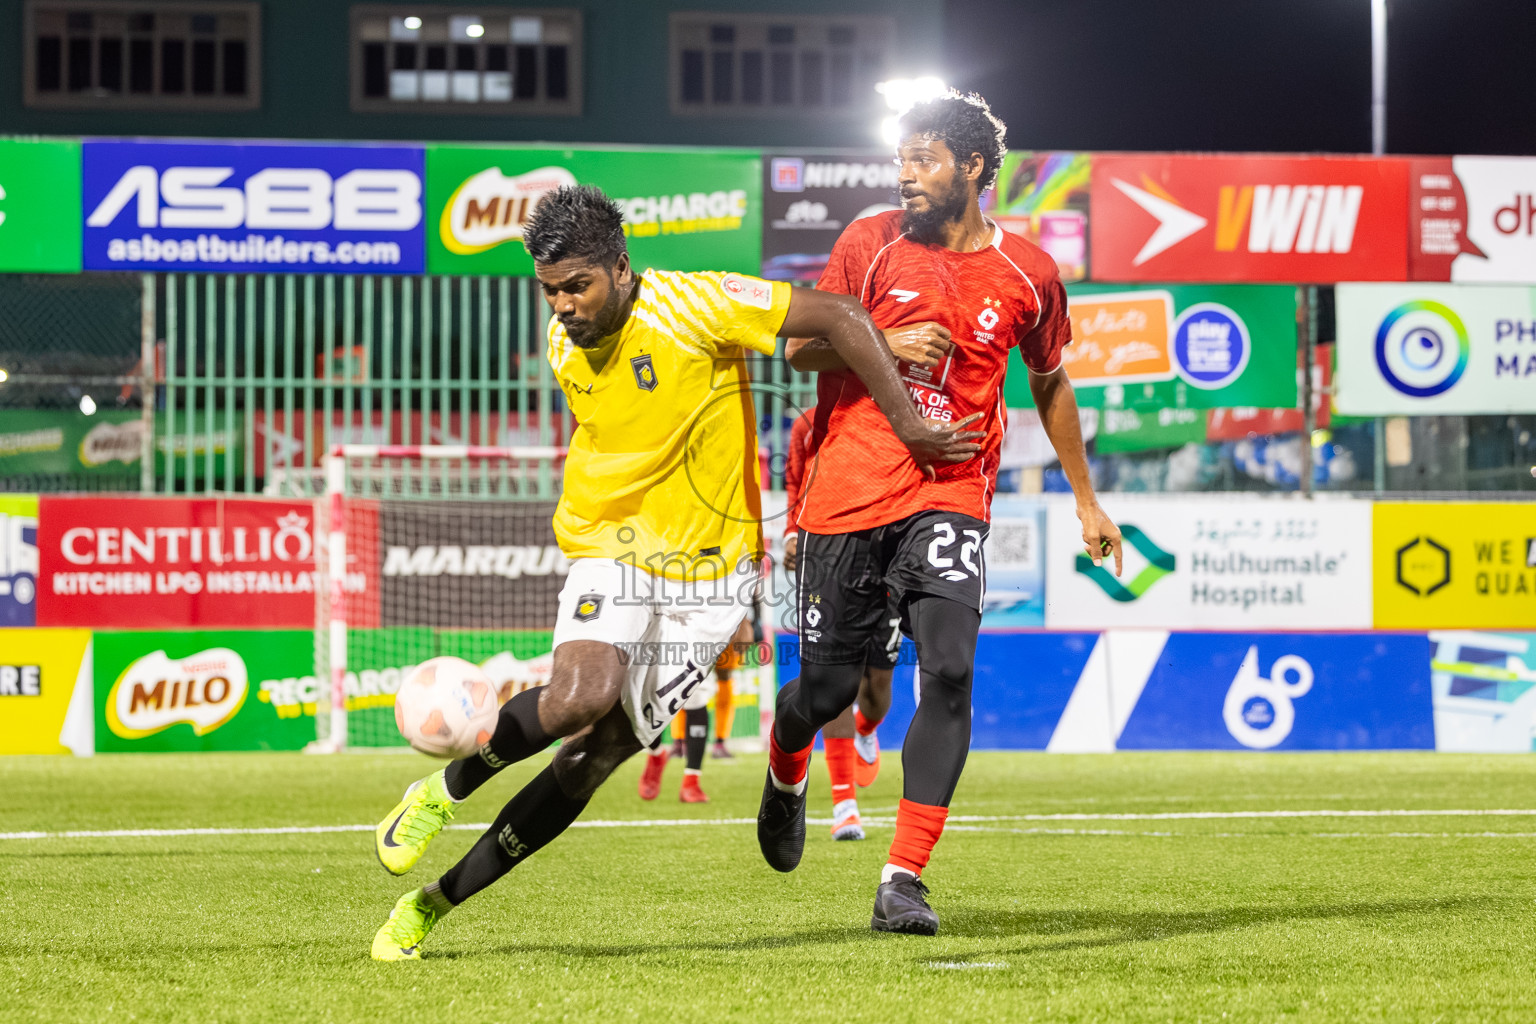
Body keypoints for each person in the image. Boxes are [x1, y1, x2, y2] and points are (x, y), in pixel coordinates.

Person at [368, 184, 981, 961]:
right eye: (548, 290)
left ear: (622, 269)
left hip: (713, 581)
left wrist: (909, 417)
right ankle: (439, 794)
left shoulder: (696, 304)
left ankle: (431, 904)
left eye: (576, 285)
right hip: (613, 543)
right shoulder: (567, 341)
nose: (561, 306)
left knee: (596, 758)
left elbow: (836, 316)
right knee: (579, 696)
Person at [755, 92, 1123, 935]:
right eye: (901, 161)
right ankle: (786, 766)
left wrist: (1086, 498)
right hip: (846, 491)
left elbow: (1051, 379)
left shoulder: (1030, 272)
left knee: (950, 669)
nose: (905, 176)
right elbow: (800, 343)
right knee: (827, 689)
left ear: (973, 169)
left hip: (951, 490)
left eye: (922, 161)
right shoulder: (869, 244)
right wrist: (878, 338)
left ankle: (902, 879)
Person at [781, 409, 897, 842]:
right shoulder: (808, 422)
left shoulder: (889, 406)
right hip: (827, 549)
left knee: (877, 690)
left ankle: (868, 730)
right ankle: (844, 805)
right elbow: (796, 482)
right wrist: (793, 535)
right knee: (835, 685)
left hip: (885, 551)